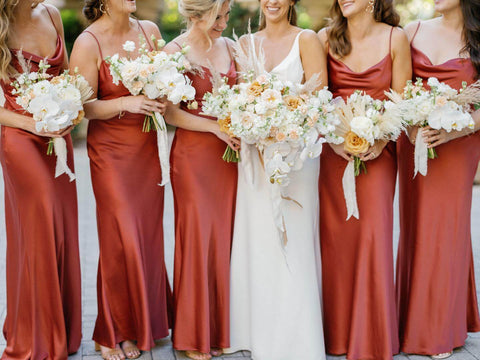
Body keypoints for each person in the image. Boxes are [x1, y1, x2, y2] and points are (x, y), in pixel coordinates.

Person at [225, 1, 327, 359]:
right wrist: (253, 126)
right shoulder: (245, 44)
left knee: (293, 239)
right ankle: (256, 333)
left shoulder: (308, 39)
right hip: (255, 156)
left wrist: (284, 128)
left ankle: (298, 338)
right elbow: (238, 99)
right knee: (259, 239)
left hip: (296, 159)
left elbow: (319, 101)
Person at [69, 0, 171, 358]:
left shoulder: (150, 31)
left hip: (147, 148)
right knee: (120, 236)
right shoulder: (87, 43)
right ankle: (112, 330)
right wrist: (126, 103)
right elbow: (80, 107)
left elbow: (164, 83)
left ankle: (148, 323)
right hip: (111, 153)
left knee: (146, 234)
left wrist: (165, 90)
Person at [317, 0, 411, 359]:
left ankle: (372, 337)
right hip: (334, 154)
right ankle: (338, 335)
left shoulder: (395, 39)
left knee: (374, 236)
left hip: (379, 154)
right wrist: (337, 140)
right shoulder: (326, 37)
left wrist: (383, 138)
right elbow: (321, 99)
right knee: (336, 243)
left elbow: (400, 101)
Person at [396, 0, 480, 357]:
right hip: (415, 142)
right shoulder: (412, 31)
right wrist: (415, 128)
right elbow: (399, 91)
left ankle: (436, 329)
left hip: (458, 145)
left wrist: (455, 130)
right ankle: (415, 320)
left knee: (446, 228)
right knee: (417, 226)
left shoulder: (476, 38)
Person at [0, 1, 82, 359]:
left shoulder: (50, 14)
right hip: (19, 136)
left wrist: (71, 108)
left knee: (61, 227)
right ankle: (36, 337)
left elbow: (66, 78)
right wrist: (33, 124)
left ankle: (57, 326)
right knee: (40, 225)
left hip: (58, 136)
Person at [163, 0, 238, 359]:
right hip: (194, 158)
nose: (224, 23)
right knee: (197, 237)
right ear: (196, 15)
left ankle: (221, 328)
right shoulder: (174, 52)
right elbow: (171, 113)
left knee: (226, 239)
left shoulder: (232, 47)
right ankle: (193, 334)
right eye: (217, 16)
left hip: (232, 159)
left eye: (227, 15)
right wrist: (215, 128)